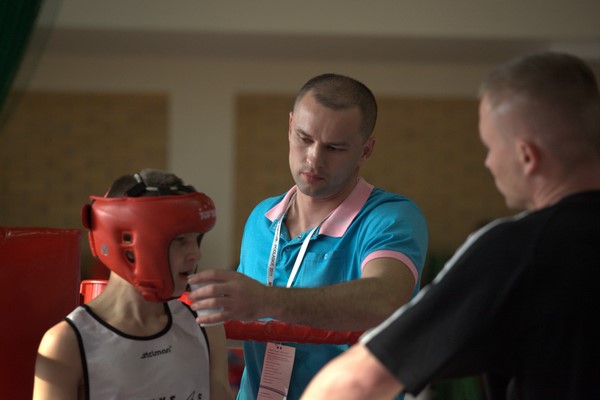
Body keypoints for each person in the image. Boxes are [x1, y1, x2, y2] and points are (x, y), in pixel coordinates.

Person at [301, 52, 600, 400]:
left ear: (526, 157)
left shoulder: (516, 250)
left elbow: (354, 383)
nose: (488, 163)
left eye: (490, 147)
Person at [187, 73, 429, 399]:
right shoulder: (261, 218)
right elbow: (239, 327)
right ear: (290, 127)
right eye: (304, 138)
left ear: (366, 150)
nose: (314, 159)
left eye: (335, 148)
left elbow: (386, 300)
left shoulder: (389, 217)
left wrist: (266, 300)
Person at [33, 169, 234, 400]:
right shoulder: (67, 342)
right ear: (127, 243)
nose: (196, 254)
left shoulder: (204, 325)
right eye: (180, 240)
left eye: (196, 239)